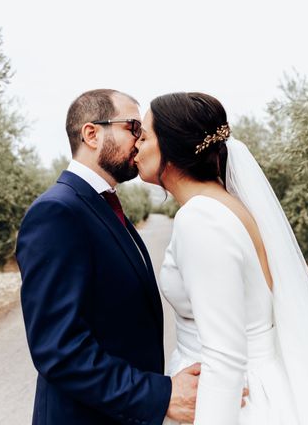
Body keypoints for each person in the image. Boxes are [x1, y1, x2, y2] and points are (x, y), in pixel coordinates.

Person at [134, 92, 308, 424]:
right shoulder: (228, 206)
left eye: (144, 136)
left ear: (171, 144)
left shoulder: (201, 219)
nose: (136, 147)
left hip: (234, 405)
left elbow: (225, 356)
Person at [16, 89, 200, 425]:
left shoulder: (101, 205)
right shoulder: (57, 212)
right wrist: (159, 395)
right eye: (132, 127)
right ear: (91, 133)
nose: (140, 138)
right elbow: (58, 349)